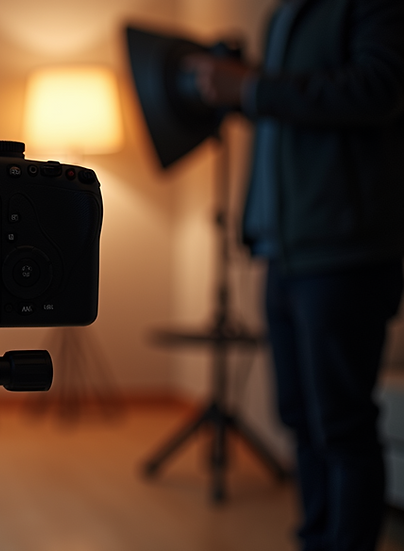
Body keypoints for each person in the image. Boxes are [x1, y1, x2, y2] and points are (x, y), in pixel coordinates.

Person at [188, 0, 404, 550]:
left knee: (341, 423)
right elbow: (294, 107)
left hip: (343, 253)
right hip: (283, 252)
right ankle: (316, 539)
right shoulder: (285, 13)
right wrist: (238, 91)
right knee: (300, 419)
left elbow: (378, 88)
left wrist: (254, 89)